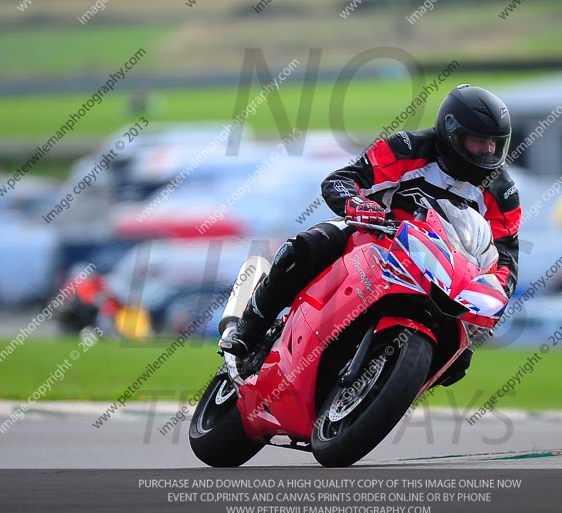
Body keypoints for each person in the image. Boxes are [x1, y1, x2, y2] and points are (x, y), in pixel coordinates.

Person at [220, 84, 521, 386]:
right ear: (452, 132)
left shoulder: (501, 191)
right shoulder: (408, 147)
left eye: (494, 144)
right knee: (309, 246)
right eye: (478, 141)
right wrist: (358, 204)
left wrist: (497, 296)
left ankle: (381, 390)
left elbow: (505, 255)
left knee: (457, 359)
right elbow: (341, 180)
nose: (488, 152)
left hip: (442, 271)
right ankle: (248, 332)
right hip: (376, 237)